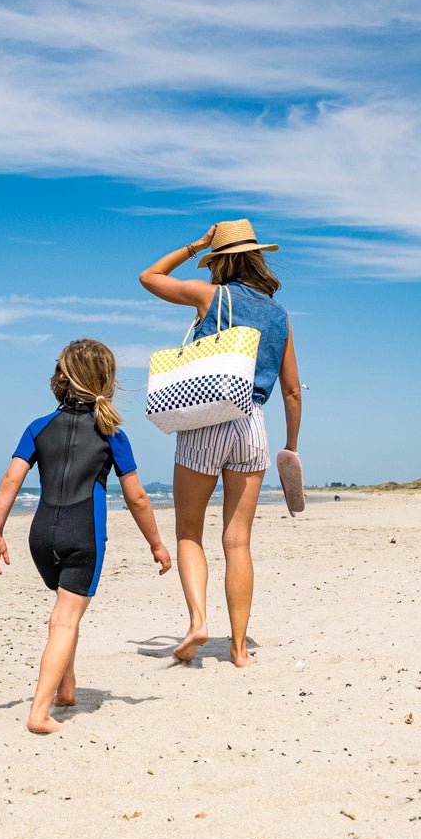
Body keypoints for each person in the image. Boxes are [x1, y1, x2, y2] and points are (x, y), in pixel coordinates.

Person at [0, 339, 172, 734]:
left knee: (64, 613)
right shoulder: (111, 434)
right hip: (83, 534)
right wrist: (156, 543)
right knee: (65, 620)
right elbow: (137, 497)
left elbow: (10, 480)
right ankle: (39, 712)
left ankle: (66, 687)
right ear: (106, 381)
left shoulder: (38, 427)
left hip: (41, 537)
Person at [139, 218, 302, 668]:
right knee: (238, 540)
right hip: (253, 424)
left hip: (205, 416)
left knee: (190, 531)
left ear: (222, 261)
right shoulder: (279, 315)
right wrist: (290, 445)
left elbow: (149, 277)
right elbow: (291, 390)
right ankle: (238, 648)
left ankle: (197, 621)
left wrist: (196, 244)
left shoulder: (211, 296)